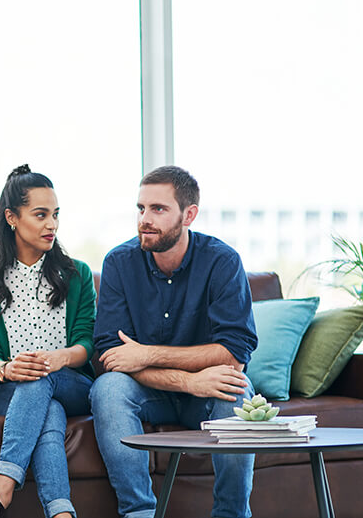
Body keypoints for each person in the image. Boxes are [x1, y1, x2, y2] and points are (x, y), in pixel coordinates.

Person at [90, 165, 258, 518]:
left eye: (158, 209)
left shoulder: (222, 261)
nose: (145, 219)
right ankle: (139, 513)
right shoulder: (119, 263)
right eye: (141, 208)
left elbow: (234, 353)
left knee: (237, 391)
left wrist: (147, 354)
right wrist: (189, 380)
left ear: (189, 214)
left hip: (207, 394)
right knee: (108, 388)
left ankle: (231, 513)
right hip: (149, 392)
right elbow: (111, 357)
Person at [0, 165, 96, 518]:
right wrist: (7, 368)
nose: (51, 224)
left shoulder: (77, 274)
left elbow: (88, 341)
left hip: (70, 381)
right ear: (12, 217)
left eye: (55, 215)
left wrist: (59, 358)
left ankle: (1, 488)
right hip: (13, 390)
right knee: (46, 409)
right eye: (40, 215)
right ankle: (61, 513)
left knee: (41, 376)